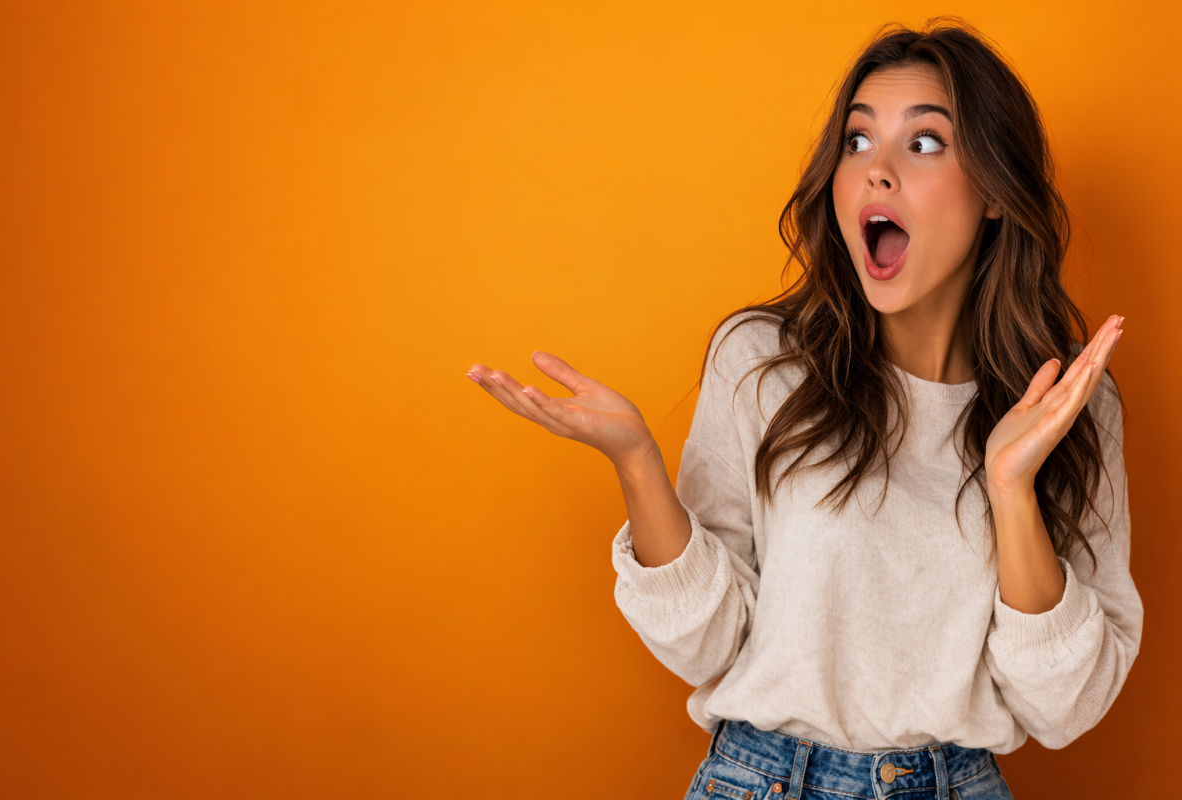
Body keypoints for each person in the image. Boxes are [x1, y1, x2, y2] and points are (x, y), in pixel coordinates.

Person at [466, 18, 1141, 800]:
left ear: (994, 191)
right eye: (858, 141)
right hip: (764, 782)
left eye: (924, 143)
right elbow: (710, 645)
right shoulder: (764, 363)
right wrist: (638, 463)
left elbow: (1063, 705)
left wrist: (1011, 489)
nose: (877, 171)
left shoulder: (1067, 406)